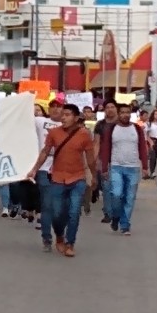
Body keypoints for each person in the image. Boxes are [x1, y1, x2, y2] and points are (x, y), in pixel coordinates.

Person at [28, 104, 96, 257]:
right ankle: (59, 235)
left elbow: (90, 159)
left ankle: (70, 242)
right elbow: (45, 152)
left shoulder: (84, 134)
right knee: (57, 213)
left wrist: (93, 176)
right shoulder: (54, 133)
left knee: (74, 212)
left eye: (67, 115)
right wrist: (34, 169)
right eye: (63, 115)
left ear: (76, 118)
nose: (63, 117)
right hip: (57, 178)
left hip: (77, 178)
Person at [99, 104, 149, 235]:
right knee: (116, 194)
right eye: (122, 112)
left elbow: (142, 148)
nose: (125, 115)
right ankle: (116, 216)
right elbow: (105, 149)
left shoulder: (137, 129)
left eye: (128, 112)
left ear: (131, 114)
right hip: (116, 167)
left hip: (133, 168)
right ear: (118, 114)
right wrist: (104, 168)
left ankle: (125, 224)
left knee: (130, 198)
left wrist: (145, 166)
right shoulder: (112, 129)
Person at [31, 100, 62, 240]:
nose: (56, 109)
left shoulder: (69, 126)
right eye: (53, 107)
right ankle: (47, 236)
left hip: (63, 169)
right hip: (43, 168)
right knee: (47, 202)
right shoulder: (39, 121)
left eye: (59, 107)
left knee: (59, 206)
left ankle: (60, 233)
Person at [93, 99, 118, 224]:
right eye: (107, 107)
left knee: (118, 188)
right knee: (107, 187)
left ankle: (117, 211)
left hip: (121, 160)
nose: (110, 109)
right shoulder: (100, 125)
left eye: (112, 107)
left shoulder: (122, 123)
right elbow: (96, 143)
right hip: (105, 160)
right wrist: (95, 159)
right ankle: (108, 213)